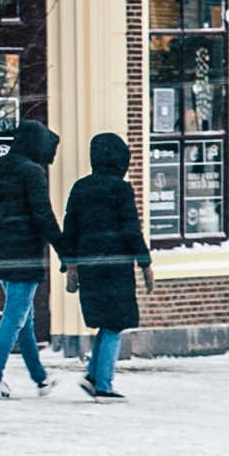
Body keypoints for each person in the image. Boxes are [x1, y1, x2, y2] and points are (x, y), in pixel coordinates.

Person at [0, 110, 63, 398]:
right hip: (24, 254)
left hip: (1, 251)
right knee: (14, 317)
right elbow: (43, 215)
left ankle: (40, 378)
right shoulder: (31, 171)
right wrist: (65, 251)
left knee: (25, 317)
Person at [62, 127, 151, 398]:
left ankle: (93, 375)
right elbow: (130, 229)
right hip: (115, 267)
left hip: (90, 266)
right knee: (114, 324)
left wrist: (70, 265)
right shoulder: (121, 189)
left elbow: (70, 229)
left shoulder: (80, 187)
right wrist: (145, 262)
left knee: (105, 321)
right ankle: (104, 385)